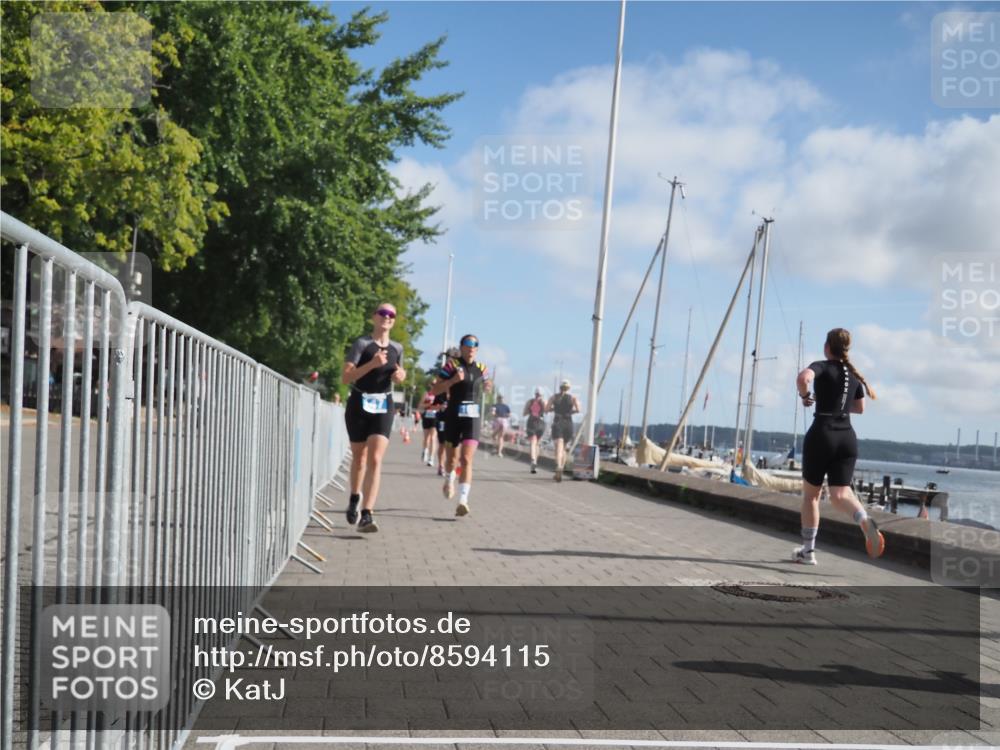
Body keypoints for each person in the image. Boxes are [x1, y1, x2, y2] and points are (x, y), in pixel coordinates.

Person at [794, 327, 882, 564]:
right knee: (840, 494)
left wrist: (805, 396)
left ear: (827, 347)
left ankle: (808, 552)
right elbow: (860, 408)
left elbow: (804, 378)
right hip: (847, 438)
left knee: (811, 497)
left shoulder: (822, 366)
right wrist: (840, 406)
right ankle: (863, 519)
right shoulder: (854, 375)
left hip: (822, 434)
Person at [341, 303, 406, 533]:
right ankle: (354, 497)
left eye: (391, 315)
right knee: (360, 458)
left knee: (375, 459)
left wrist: (400, 376)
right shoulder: (362, 344)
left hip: (383, 404)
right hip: (359, 403)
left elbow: (399, 373)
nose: (387, 317)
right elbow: (346, 377)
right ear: (374, 317)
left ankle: (367, 514)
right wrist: (371, 364)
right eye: (383, 313)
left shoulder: (398, 348)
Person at [431, 335, 492, 516]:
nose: (471, 347)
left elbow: (488, 384)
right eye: (468, 344)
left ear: (477, 349)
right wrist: (452, 381)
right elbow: (435, 390)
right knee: (452, 460)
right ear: (462, 347)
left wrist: (488, 386)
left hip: (472, 416)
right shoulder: (451, 366)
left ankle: (463, 501)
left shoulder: (482, 368)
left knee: (466, 459)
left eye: (475, 345)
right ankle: (449, 480)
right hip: (453, 415)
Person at [547, 380, 580, 482]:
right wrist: (570, 412)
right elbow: (578, 410)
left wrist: (554, 409)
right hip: (568, 423)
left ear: (560, 387)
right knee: (564, 447)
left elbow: (546, 409)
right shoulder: (573, 398)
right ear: (568, 388)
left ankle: (559, 465)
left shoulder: (554, 397)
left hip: (558, 422)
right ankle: (561, 468)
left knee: (558, 446)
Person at [523, 388, 546, 473]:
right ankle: (535, 462)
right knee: (537, 444)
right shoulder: (544, 402)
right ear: (542, 395)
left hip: (532, 422)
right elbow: (547, 411)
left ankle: (533, 460)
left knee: (533, 442)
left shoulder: (530, 402)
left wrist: (531, 410)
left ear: (535, 393)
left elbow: (524, 413)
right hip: (541, 423)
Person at [419, 390, 439, 466]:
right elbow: (420, 405)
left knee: (433, 438)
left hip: (435, 417)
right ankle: (425, 450)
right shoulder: (426, 393)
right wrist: (428, 404)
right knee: (426, 437)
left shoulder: (439, 393)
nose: (433, 386)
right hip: (427, 416)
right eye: (432, 384)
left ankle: (431, 458)